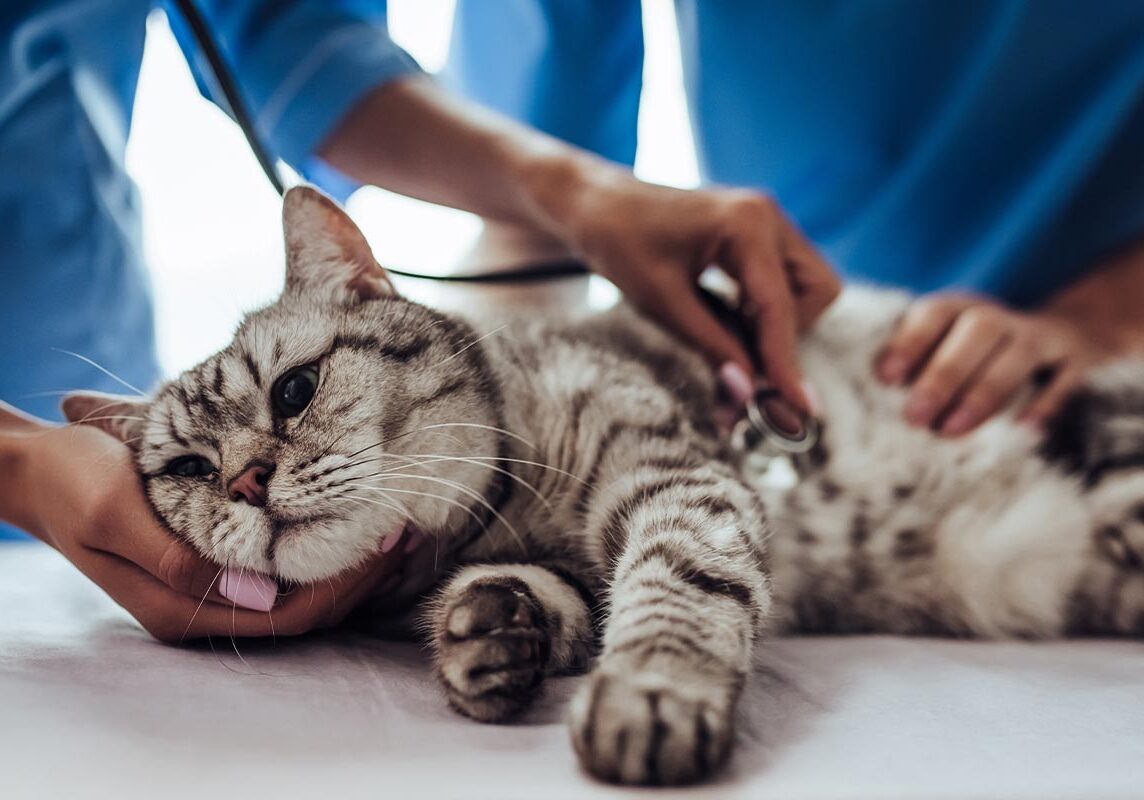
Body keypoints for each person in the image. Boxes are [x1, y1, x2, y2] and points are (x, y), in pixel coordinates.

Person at [0, 2, 838, 642]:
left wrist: (576, 193)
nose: (247, 479)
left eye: (293, 391)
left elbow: (284, 26)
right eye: (193, 466)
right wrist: (17, 466)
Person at [449, 0, 1144, 439]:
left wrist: (1104, 320)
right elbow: (528, 211)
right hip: (817, 368)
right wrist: (570, 195)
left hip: (1093, 370)